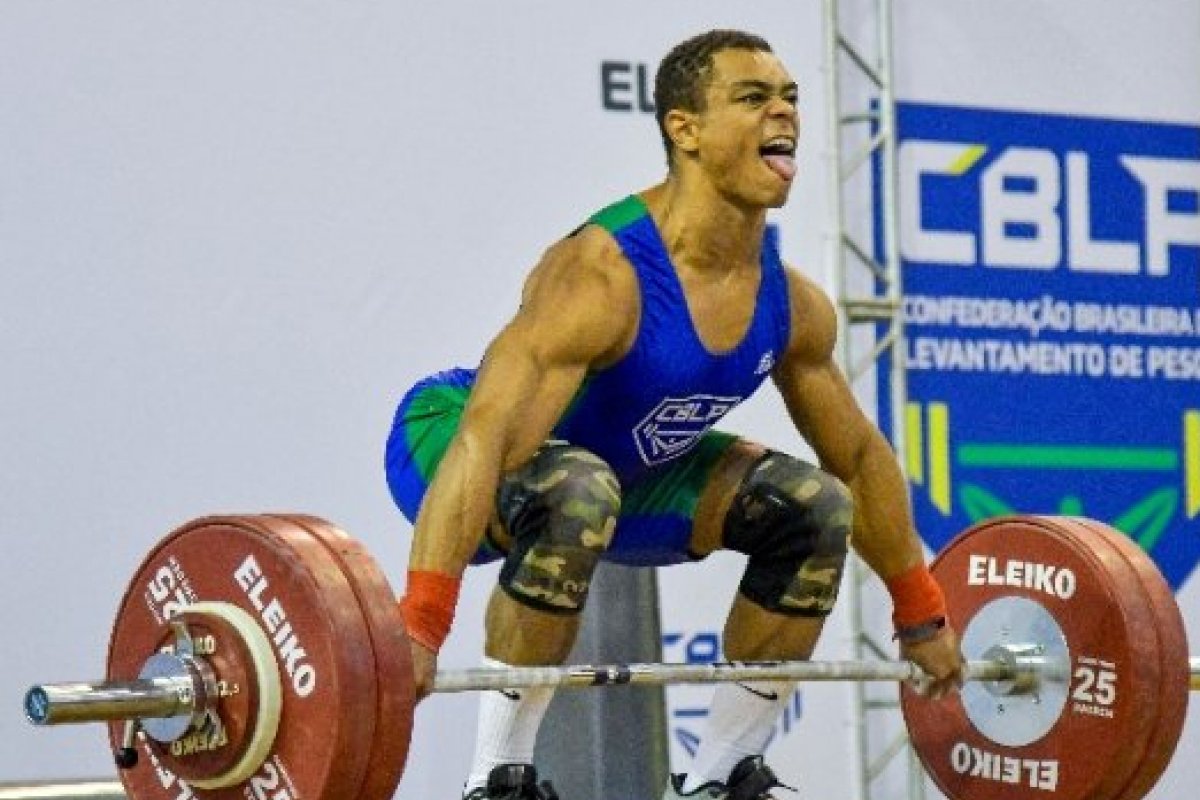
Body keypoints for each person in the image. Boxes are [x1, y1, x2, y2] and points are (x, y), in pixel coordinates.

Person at [385, 29, 964, 800]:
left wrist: (921, 613)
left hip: (623, 477)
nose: (782, 113)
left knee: (816, 508)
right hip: (453, 446)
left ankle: (718, 775)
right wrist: (421, 621)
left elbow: (857, 457)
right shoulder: (602, 276)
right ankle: (495, 778)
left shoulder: (790, 305)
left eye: (790, 97)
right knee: (576, 489)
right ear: (683, 129)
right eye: (753, 98)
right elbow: (489, 437)